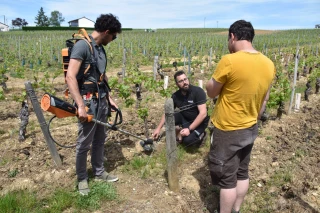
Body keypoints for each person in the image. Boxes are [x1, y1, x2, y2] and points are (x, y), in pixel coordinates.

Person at [206, 20, 275, 213]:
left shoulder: (230, 60)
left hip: (228, 129)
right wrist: (254, 118)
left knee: (228, 179)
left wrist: (208, 85)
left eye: (228, 39)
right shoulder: (269, 64)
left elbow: (212, 92)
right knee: (242, 172)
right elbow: (264, 99)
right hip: (250, 127)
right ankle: (236, 209)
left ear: (233, 36)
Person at [66, 14, 122, 196]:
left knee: (100, 140)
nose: (113, 40)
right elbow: (70, 76)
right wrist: (80, 106)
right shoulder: (82, 46)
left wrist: (109, 98)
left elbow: (102, 76)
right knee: (84, 143)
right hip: (88, 101)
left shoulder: (100, 49)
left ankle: (99, 172)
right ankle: (82, 179)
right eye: (113, 36)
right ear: (106, 32)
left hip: (102, 100)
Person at [153, 70, 209, 147]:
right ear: (177, 84)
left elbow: (203, 113)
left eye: (185, 79)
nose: (185, 82)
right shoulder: (176, 96)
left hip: (199, 122)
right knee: (169, 118)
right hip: (185, 118)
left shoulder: (198, 92)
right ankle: (180, 131)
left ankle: (202, 135)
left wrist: (189, 129)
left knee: (188, 141)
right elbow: (167, 112)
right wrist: (158, 128)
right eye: (181, 81)